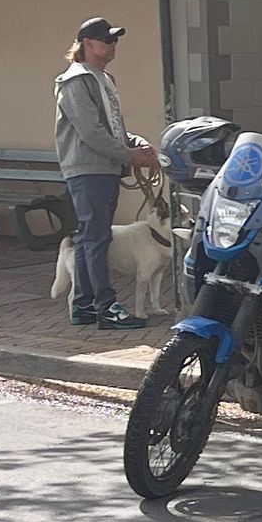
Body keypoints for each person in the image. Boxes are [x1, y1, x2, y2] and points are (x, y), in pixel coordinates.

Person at [54, 18, 156, 330]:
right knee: (96, 238)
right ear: (86, 43)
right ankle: (106, 306)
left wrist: (135, 143)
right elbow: (91, 132)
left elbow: (112, 128)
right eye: (105, 40)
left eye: (114, 40)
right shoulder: (76, 80)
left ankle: (84, 306)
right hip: (88, 169)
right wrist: (129, 156)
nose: (111, 46)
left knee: (92, 238)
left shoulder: (103, 78)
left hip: (105, 168)